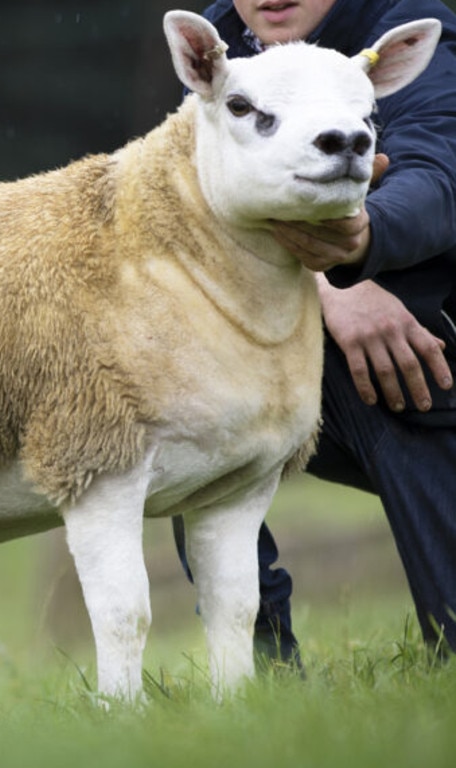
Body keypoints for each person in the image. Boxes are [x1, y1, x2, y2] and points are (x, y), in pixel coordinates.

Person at [173, 0, 456, 664]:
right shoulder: (218, 52)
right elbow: (201, 201)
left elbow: (438, 178)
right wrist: (331, 283)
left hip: (433, 353)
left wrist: (364, 240)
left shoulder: (408, 29)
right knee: (183, 385)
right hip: (314, 354)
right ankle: (256, 673)